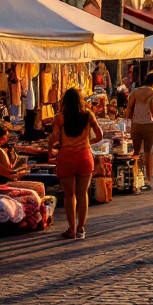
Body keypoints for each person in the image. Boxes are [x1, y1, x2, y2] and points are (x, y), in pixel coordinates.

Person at [50, 88, 103, 239]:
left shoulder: (59, 118)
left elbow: (54, 137)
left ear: (65, 101)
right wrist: (88, 142)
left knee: (69, 196)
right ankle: (81, 229)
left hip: (67, 157)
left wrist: (49, 149)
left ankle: (71, 229)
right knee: (82, 195)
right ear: (80, 100)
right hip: (84, 156)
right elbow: (100, 136)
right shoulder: (88, 115)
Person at [126, 72, 153, 190]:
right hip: (148, 125)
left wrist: (129, 119)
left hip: (136, 124)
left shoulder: (135, 91)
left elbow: (129, 107)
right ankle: (148, 179)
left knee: (135, 152)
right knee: (148, 152)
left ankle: (133, 177)